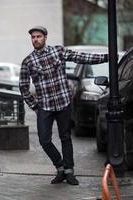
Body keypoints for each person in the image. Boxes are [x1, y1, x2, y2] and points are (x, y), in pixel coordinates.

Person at [19, 26, 108, 185]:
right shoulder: (28, 61)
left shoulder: (58, 51)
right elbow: (23, 87)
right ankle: (59, 166)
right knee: (44, 140)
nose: (35, 40)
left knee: (65, 137)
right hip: (44, 106)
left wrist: (106, 58)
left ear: (45, 37)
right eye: (33, 37)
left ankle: (69, 171)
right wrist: (35, 107)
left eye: (38, 36)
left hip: (63, 103)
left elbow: (82, 57)